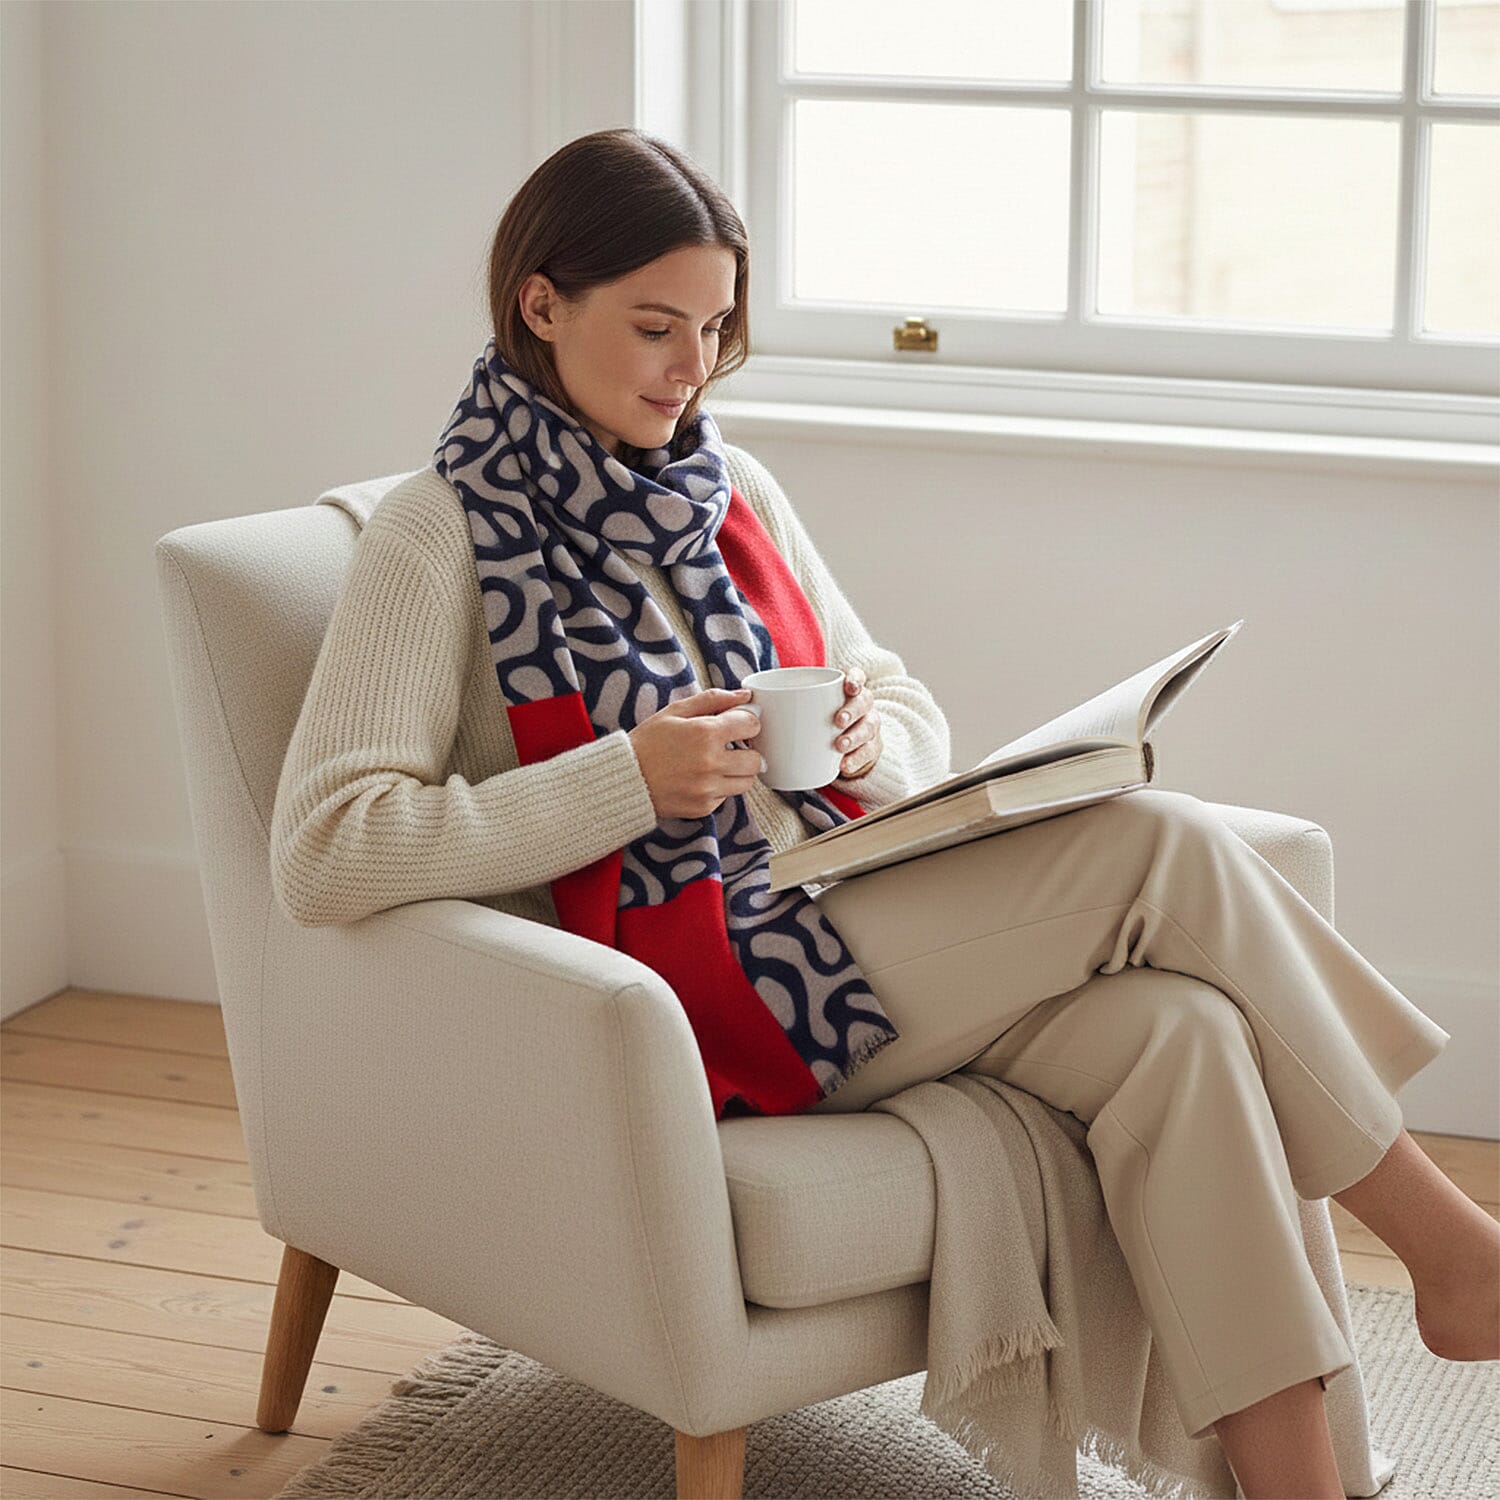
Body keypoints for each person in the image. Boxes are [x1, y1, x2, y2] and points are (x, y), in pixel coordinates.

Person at [270, 128, 1498, 1499]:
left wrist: (869, 731)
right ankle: (1451, 1249)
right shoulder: (434, 536)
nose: (692, 369)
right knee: (1164, 843)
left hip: (847, 917)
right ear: (541, 303)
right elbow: (326, 849)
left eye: (719, 328)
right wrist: (625, 780)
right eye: (657, 327)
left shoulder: (732, 489)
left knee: (1185, 1035)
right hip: (703, 992)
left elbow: (899, 700)